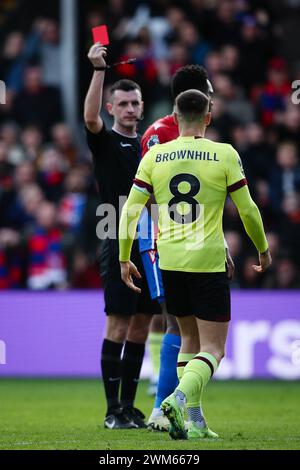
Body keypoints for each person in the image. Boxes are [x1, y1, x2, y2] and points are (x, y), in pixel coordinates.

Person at [119, 89, 271, 439]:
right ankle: (178, 396)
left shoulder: (155, 156)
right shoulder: (224, 154)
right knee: (214, 349)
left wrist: (124, 258)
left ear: (175, 115)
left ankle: (194, 420)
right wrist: (262, 249)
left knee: (188, 339)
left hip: (169, 260)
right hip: (207, 259)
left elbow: (130, 210)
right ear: (209, 116)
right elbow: (247, 210)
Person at [140, 65, 234, 431]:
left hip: (185, 241)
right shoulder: (161, 134)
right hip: (166, 239)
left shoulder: (190, 136)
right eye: (209, 92)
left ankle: (189, 415)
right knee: (175, 326)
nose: (213, 99)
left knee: (182, 330)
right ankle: (164, 407)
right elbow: (146, 193)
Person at [84, 43, 160, 429]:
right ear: (112, 108)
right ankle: (112, 410)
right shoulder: (105, 140)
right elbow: (89, 118)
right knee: (117, 324)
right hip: (116, 236)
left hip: (150, 244)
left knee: (143, 325)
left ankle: (129, 407)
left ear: (142, 106)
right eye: (124, 104)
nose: (130, 109)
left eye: (136, 103)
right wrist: (99, 71)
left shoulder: (152, 148)